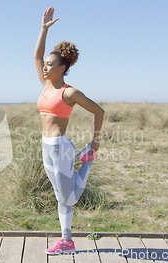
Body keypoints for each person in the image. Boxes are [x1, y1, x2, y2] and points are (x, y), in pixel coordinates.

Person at [34, 6, 105, 255]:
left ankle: (88, 160)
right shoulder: (45, 85)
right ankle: (66, 240)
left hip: (61, 147)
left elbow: (99, 111)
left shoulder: (69, 92)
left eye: (50, 65)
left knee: (69, 198)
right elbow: (36, 56)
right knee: (60, 196)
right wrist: (43, 29)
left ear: (62, 68)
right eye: (46, 65)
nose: (45, 67)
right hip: (46, 146)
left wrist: (95, 141)